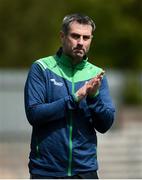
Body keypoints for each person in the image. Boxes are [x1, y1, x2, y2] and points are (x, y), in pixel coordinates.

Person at [24, 13, 115, 179]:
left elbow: (105, 125)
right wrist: (74, 99)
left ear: (91, 40)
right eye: (75, 36)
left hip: (85, 171)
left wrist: (94, 97)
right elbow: (34, 114)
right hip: (46, 171)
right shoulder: (41, 68)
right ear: (62, 36)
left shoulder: (96, 74)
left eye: (86, 37)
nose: (80, 42)